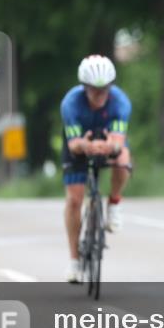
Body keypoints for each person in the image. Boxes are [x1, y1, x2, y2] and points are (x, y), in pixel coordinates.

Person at [60, 55, 133, 283]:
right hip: (80, 144)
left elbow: (119, 141)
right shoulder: (70, 103)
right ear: (84, 87)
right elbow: (73, 144)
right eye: (94, 90)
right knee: (74, 200)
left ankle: (114, 202)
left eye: (104, 90)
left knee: (123, 159)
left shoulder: (120, 102)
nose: (100, 95)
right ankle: (74, 261)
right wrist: (86, 146)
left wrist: (111, 146)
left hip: (108, 141)